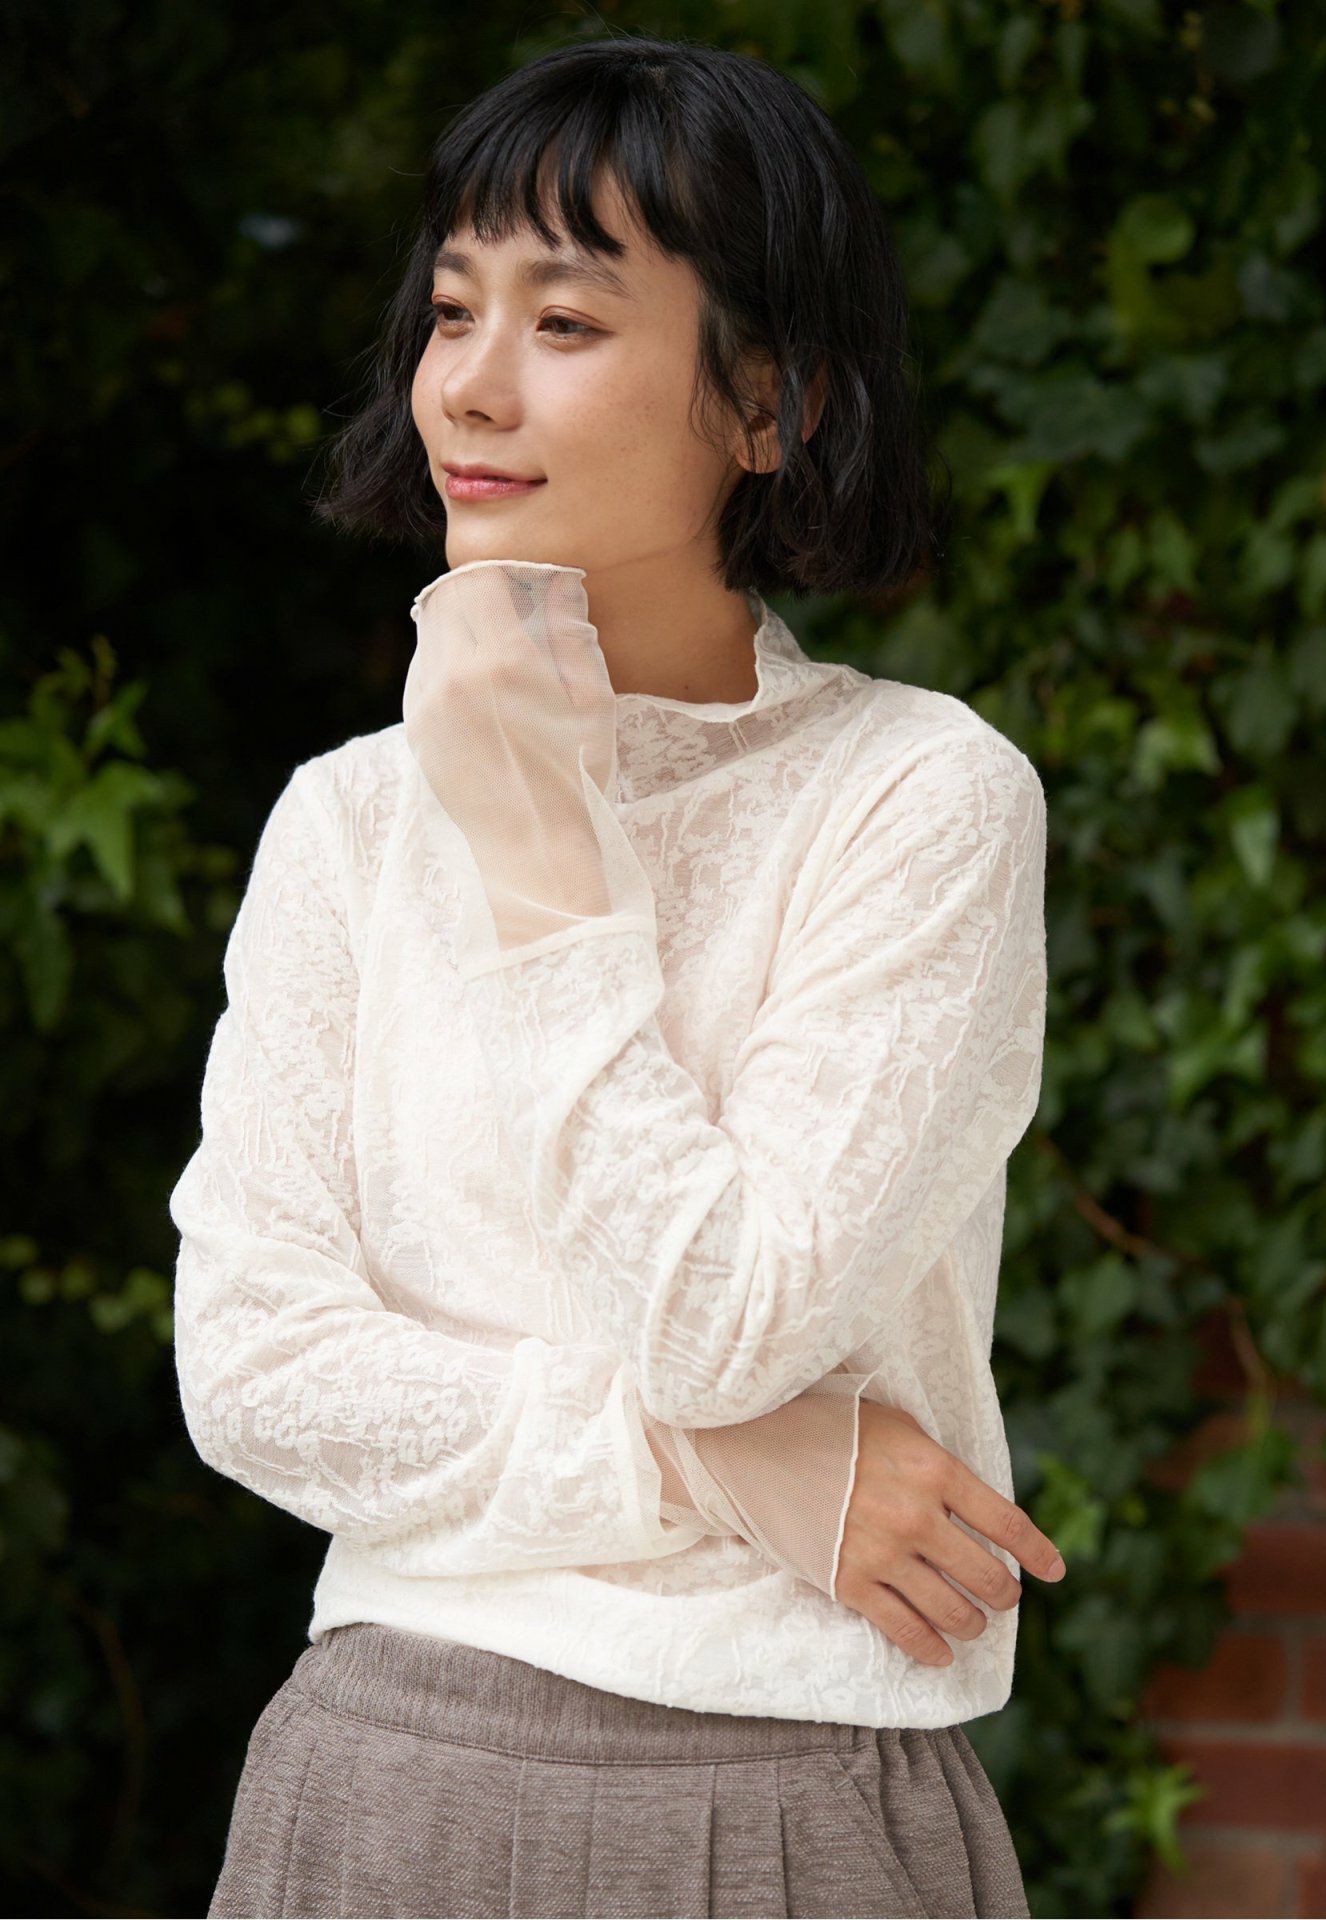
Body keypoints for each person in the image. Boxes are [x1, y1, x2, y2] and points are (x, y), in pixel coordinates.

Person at [170, 32, 1062, 1920]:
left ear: (769, 404)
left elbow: (730, 1318)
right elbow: (254, 1370)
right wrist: (737, 1470)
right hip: (376, 1790)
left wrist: (547, 852)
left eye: (566, 322)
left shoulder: (916, 799)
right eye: (453, 311)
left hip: (785, 1803)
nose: (470, 386)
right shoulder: (348, 822)